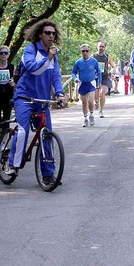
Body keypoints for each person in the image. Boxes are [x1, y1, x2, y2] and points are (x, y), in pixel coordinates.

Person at [5, 19, 68, 184]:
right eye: (47, 32)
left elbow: (55, 77)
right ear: (40, 34)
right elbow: (33, 68)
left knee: (46, 136)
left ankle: (48, 174)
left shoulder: (52, 57)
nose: (51, 36)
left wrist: (60, 94)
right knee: (23, 132)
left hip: (42, 101)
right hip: (24, 98)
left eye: (53, 33)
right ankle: (12, 163)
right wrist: (48, 57)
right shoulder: (30, 50)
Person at [71, 44, 102, 127]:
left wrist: (99, 81)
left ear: (89, 51)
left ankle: (91, 115)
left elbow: (98, 72)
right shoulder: (78, 62)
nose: (85, 52)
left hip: (91, 83)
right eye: (83, 51)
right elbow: (73, 72)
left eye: (87, 51)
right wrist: (75, 78)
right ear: (80, 52)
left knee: (90, 100)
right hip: (82, 83)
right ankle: (85, 118)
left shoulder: (94, 61)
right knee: (84, 102)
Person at [92, 41, 115, 118]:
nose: (101, 48)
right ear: (97, 47)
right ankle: (96, 101)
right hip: (95, 77)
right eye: (100, 46)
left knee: (102, 93)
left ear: (105, 47)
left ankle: (101, 111)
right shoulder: (93, 56)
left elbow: (112, 66)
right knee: (96, 95)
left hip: (104, 77)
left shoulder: (107, 56)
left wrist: (112, 73)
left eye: (103, 46)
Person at [0, 45, 15, 131]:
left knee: (6, 119)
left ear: (8, 54)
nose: (3, 55)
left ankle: (4, 141)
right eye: (1, 53)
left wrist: (13, 84)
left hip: (7, 94)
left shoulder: (11, 67)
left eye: (5, 53)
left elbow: (15, 80)